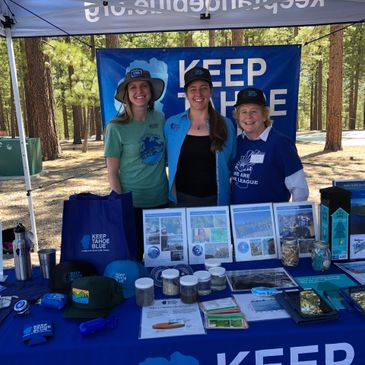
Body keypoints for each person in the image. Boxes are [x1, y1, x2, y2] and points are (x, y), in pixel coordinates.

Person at [104, 68, 168, 261]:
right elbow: (112, 173)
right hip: (132, 204)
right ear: (126, 94)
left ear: (150, 92)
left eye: (143, 86)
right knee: (134, 258)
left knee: (161, 258)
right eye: (133, 87)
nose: (139, 91)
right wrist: (121, 205)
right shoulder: (115, 127)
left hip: (161, 201)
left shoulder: (160, 119)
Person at [164, 66, 236, 207]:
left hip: (217, 202)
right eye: (193, 89)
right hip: (179, 201)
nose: (198, 93)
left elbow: (233, 162)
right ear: (186, 93)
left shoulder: (226, 125)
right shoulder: (172, 124)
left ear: (211, 91)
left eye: (203, 88)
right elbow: (165, 159)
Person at [231, 87, 309, 205]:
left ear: (264, 115)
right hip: (238, 218)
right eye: (243, 111)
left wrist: (296, 215)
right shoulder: (237, 142)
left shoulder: (281, 143)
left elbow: (299, 187)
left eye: (254, 111)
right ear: (238, 116)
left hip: (270, 220)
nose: (248, 116)